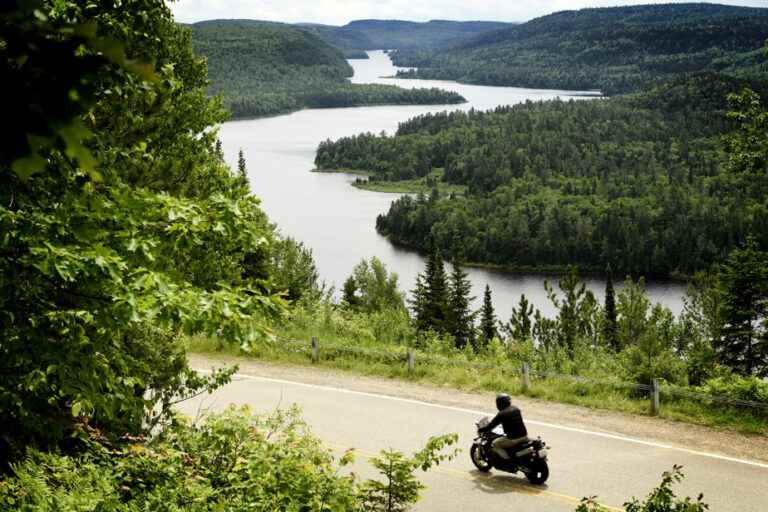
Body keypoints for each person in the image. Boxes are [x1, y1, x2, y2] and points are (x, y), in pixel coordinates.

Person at [478, 393, 528, 460]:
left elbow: (491, 425)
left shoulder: (502, 414)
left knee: (495, 444)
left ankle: (508, 460)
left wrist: (481, 430)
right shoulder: (516, 409)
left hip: (513, 439)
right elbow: (511, 421)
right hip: (524, 435)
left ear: (499, 403)